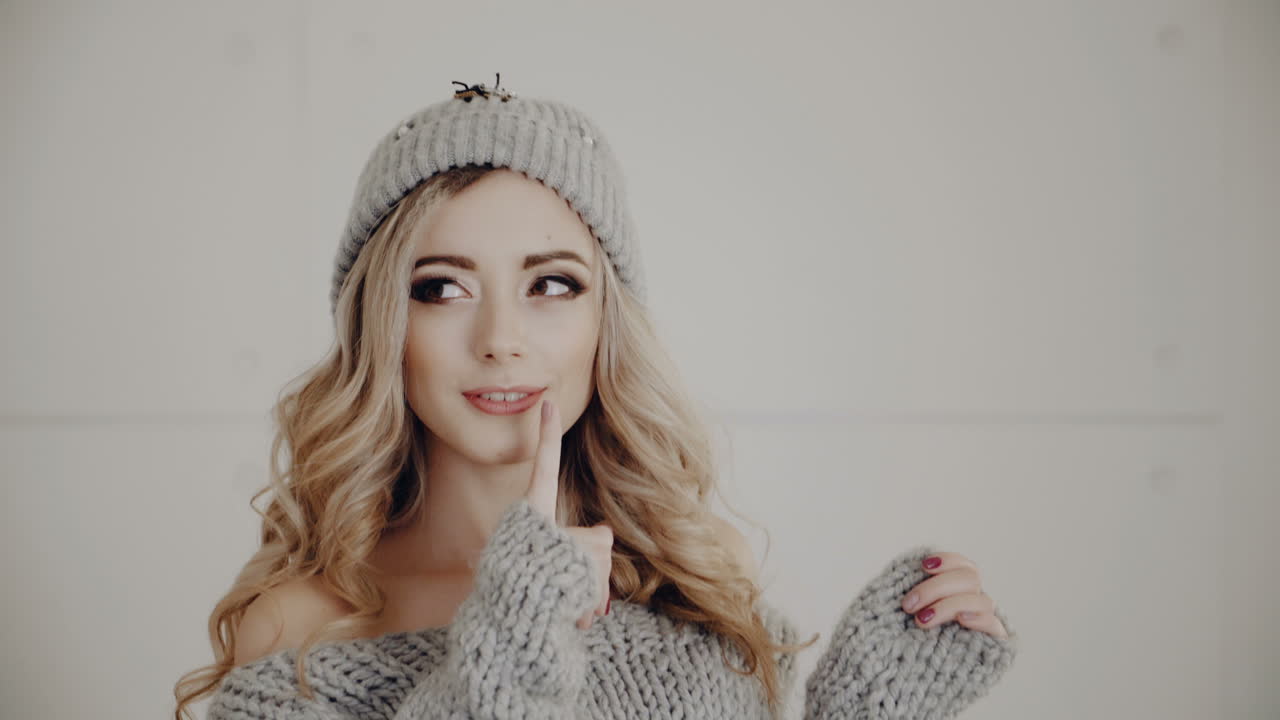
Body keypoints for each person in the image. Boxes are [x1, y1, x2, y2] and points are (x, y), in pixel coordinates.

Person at [173, 76, 1019, 720]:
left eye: (551, 283)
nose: (502, 337)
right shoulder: (297, 630)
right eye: (441, 289)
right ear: (384, 325)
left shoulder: (697, 576)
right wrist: (519, 620)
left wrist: (866, 709)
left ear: (605, 321)